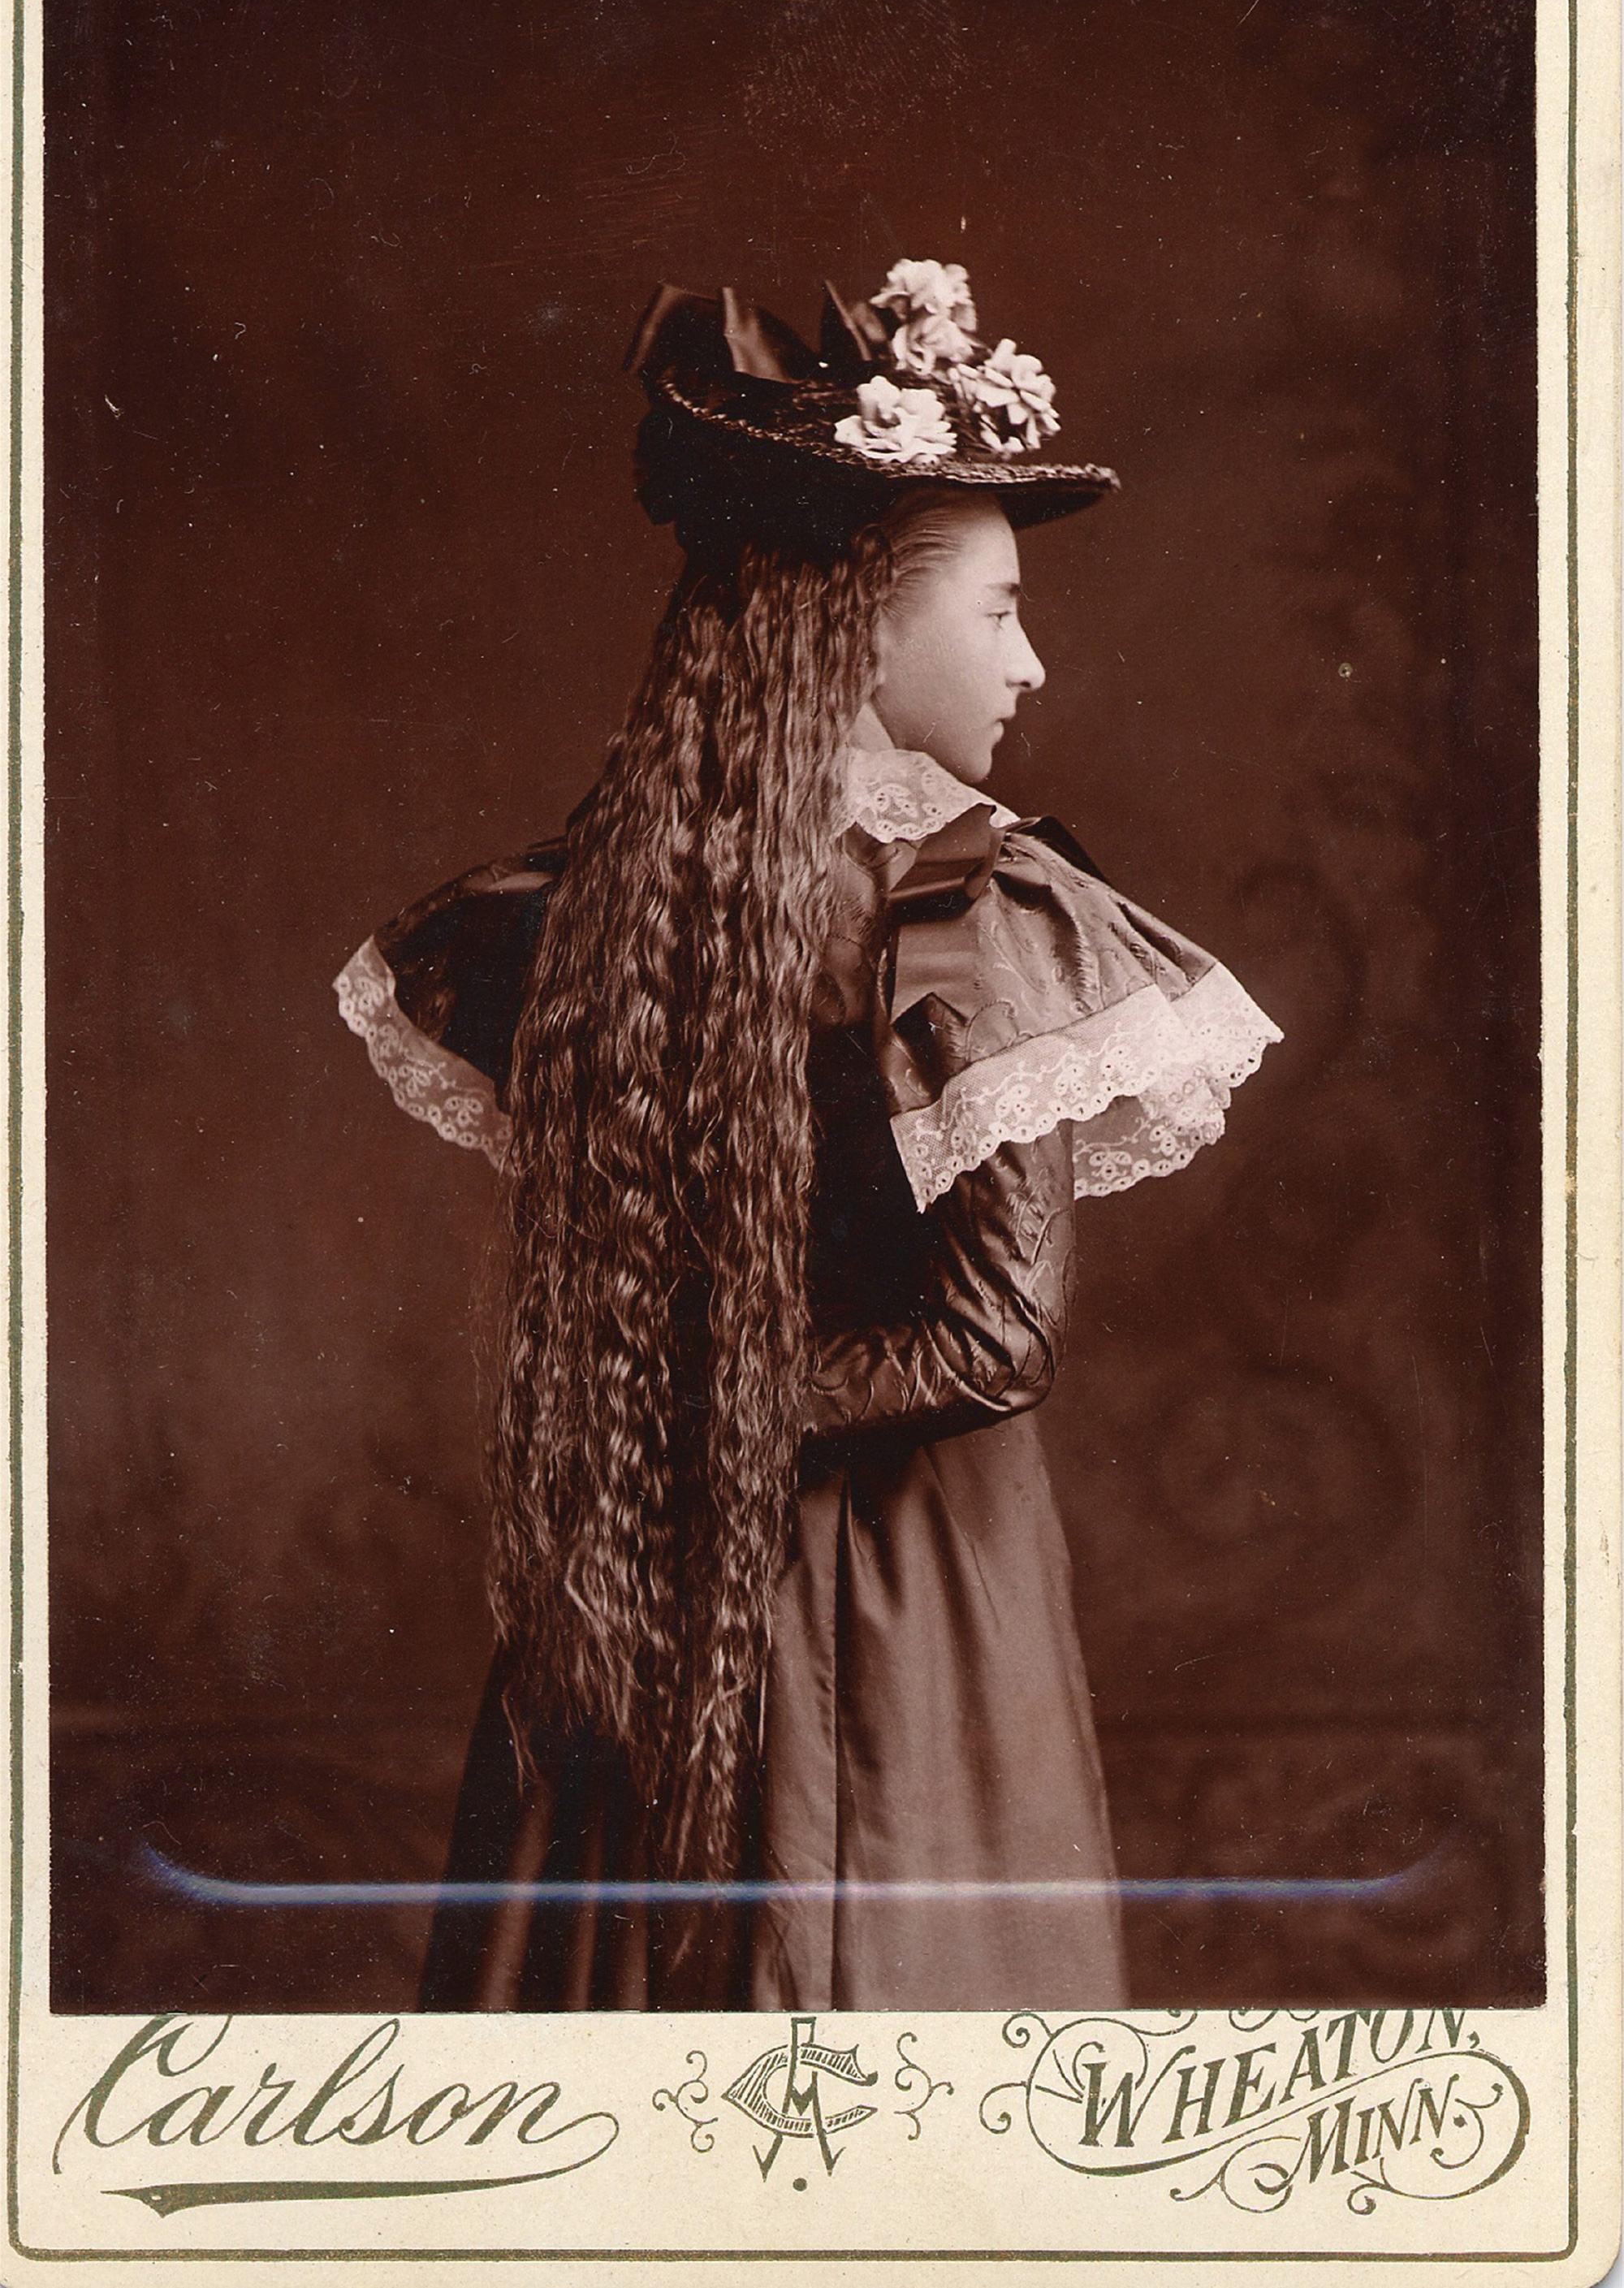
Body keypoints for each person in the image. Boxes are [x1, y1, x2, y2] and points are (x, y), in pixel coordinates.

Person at [335, 258, 1281, 2013]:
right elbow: (994, 1334)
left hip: (649, 1566)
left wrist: (674, 1415)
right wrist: (728, 1404)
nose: (1031, 659)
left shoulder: (611, 895)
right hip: (903, 1608)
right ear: (859, 615)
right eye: (994, 610)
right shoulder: (954, 909)